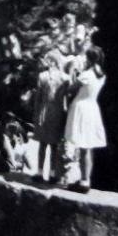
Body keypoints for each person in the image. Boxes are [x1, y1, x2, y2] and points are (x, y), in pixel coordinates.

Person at [62, 46, 107, 193]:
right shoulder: (101, 74)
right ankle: (86, 178)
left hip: (82, 108)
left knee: (83, 147)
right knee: (89, 147)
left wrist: (71, 77)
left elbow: (70, 89)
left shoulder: (87, 74)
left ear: (90, 58)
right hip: (92, 107)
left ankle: (84, 181)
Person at [31, 48, 68, 182]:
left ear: (51, 61)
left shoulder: (43, 76)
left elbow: (38, 99)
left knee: (42, 144)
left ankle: (40, 173)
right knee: (54, 145)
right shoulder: (65, 78)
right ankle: (53, 174)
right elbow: (66, 99)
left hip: (44, 111)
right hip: (58, 112)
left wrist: (36, 115)